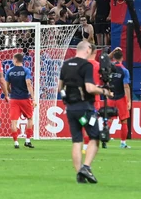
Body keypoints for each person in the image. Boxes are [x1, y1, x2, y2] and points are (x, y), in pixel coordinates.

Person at [58, 41, 113, 184]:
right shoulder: (86, 65)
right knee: (95, 137)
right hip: (84, 108)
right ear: (88, 50)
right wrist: (104, 91)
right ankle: (86, 167)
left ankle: (79, 173)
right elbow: (89, 88)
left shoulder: (66, 64)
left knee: (77, 140)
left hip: (70, 108)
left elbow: (60, 87)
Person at [5, 52, 35, 149]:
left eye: (13, 59)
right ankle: (27, 140)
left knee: (14, 121)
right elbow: (28, 84)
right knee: (29, 118)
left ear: (16, 60)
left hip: (14, 99)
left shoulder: (9, 71)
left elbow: (6, 86)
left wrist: (10, 92)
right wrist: (33, 98)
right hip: (25, 98)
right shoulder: (26, 70)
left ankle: (16, 142)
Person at [109, 47, 132, 149]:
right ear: (122, 58)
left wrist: (113, 51)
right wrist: (129, 101)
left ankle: (104, 142)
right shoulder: (124, 70)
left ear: (114, 57)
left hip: (110, 97)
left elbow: (105, 58)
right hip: (121, 98)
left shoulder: (109, 67)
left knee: (107, 120)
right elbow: (126, 86)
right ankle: (123, 143)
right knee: (123, 121)